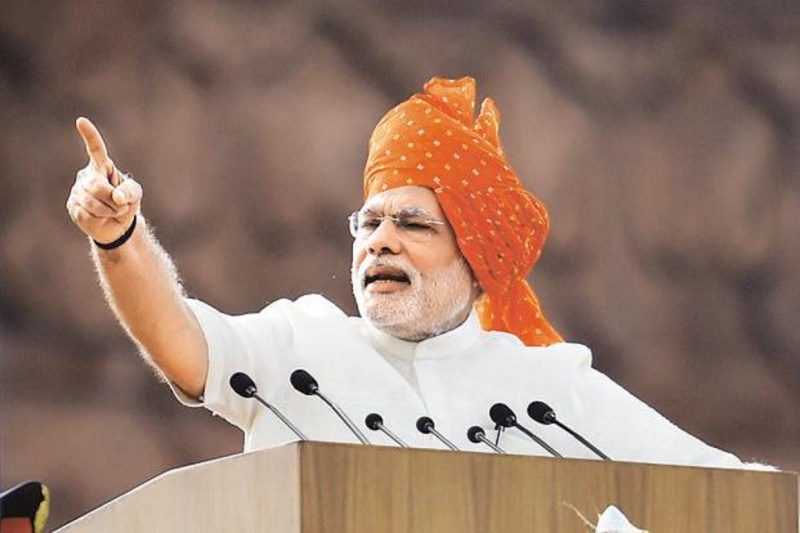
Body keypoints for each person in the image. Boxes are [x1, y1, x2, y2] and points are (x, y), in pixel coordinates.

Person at [66, 76, 748, 467]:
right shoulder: (299, 346)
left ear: (475, 260)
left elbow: (730, 489)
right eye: (368, 223)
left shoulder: (548, 393)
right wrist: (119, 238)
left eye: (413, 225)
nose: (379, 242)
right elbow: (179, 339)